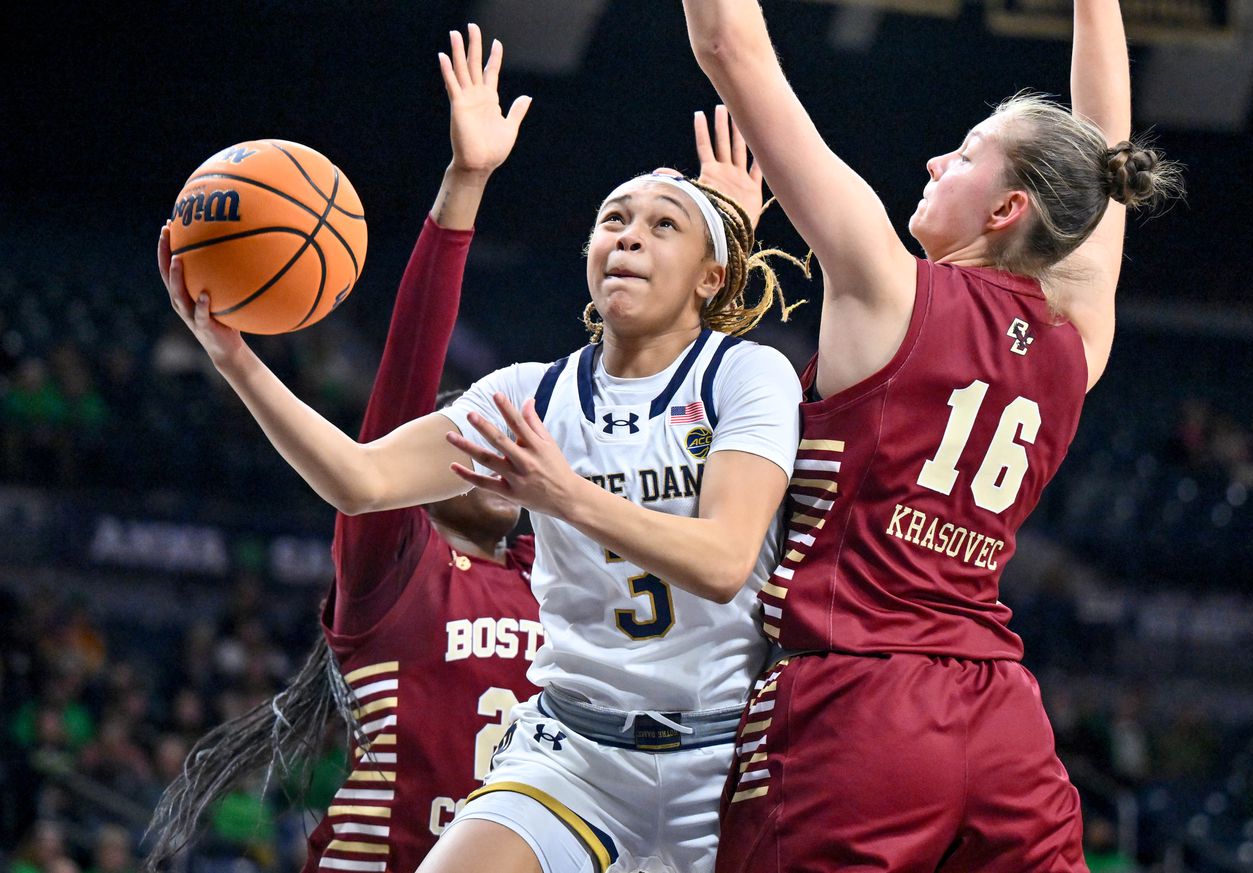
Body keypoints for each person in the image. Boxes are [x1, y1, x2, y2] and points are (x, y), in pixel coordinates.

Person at [157, 25, 802, 873]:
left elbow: (723, 561)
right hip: (573, 754)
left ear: (712, 277)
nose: (630, 235)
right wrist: (235, 358)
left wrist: (564, 492)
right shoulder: (526, 395)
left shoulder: (749, 375)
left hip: (720, 758)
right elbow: (359, 477)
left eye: (663, 223)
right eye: (613, 219)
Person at [683, 1, 1181, 871]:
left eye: (964, 154)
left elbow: (730, 44)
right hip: (1002, 721)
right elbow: (1105, 147)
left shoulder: (884, 286)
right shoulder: (1078, 336)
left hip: (859, 701)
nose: (935, 159)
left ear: (1006, 208)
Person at [145, 26, 542, 873]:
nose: (491, 448)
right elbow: (407, 377)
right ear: (418, 473)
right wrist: (462, 188)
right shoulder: (392, 565)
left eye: (503, 435)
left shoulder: (563, 568)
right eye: (461, 436)